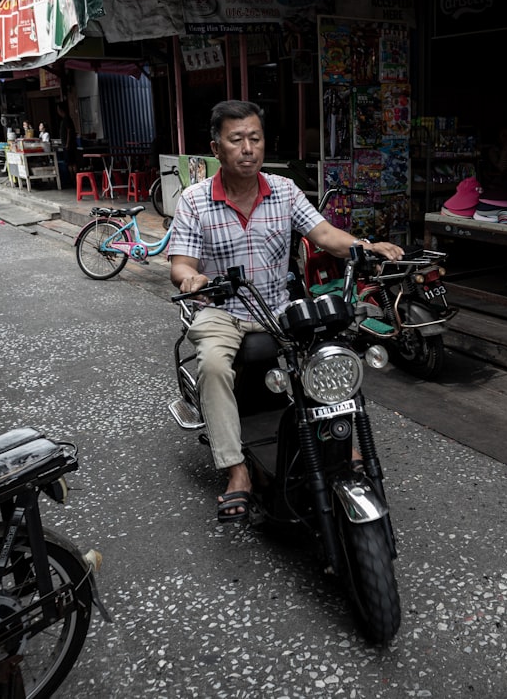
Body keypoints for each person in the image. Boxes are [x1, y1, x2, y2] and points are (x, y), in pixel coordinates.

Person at [167, 100, 404, 523]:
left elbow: (326, 234)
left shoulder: (284, 190)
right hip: (222, 309)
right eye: (236, 139)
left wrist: (367, 248)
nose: (247, 148)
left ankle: (342, 445)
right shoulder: (194, 200)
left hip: (277, 306)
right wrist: (190, 278)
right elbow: (181, 263)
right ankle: (237, 469)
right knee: (214, 366)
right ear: (216, 148)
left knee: (326, 349)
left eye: (254, 139)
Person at [56, 101, 78, 175]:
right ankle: (72, 177)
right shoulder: (65, 119)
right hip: (67, 144)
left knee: (71, 162)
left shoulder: (67, 119)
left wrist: (67, 144)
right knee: (69, 162)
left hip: (69, 145)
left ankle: (74, 177)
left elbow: (69, 131)